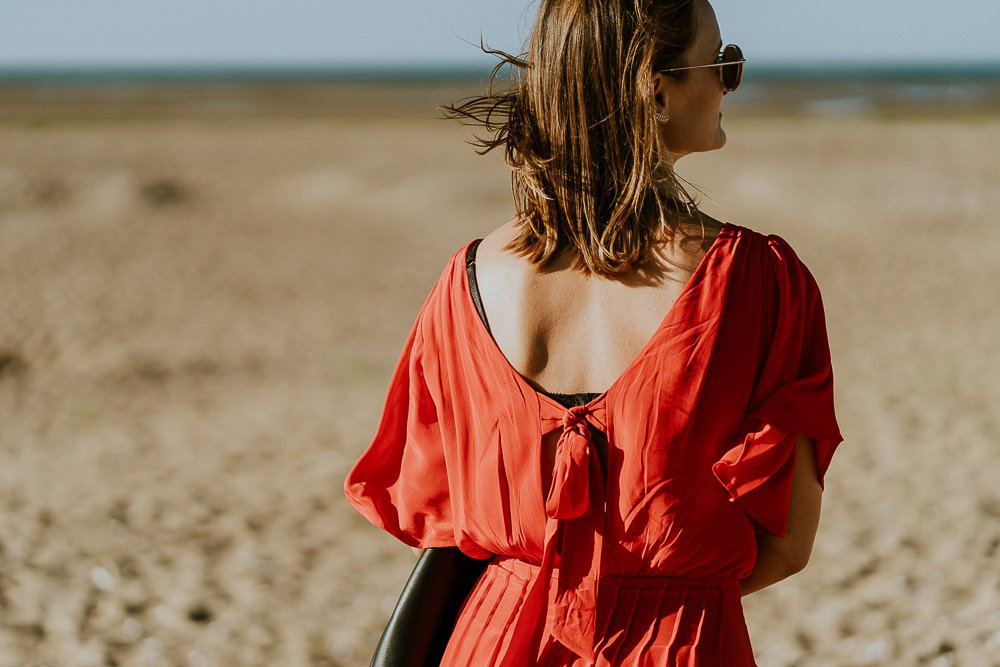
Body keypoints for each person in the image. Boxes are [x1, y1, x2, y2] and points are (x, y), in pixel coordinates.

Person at [344, 0, 843, 663]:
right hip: (676, 641)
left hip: (490, 640)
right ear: (657, 91)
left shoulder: (466, 279)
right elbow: (785, 545)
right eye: (722, 62)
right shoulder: (761, 282)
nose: (729, 82)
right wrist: (662, 584)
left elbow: (437, 513)